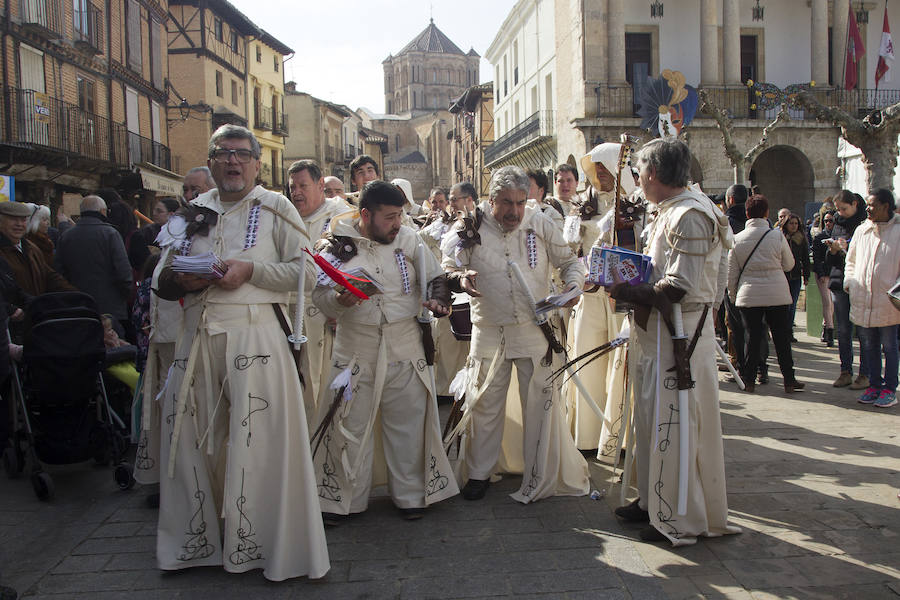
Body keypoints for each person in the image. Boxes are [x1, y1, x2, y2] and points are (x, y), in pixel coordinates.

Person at [153, 124, 329, 580]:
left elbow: (306, 275)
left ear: (256, 163)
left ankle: (266, 546)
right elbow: (160, 278)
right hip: (197, 340)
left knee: (263, 445)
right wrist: (182, 280)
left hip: (257, 339)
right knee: (194, 443)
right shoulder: (192, 212)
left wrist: (249, 270)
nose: (233, 161)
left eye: (242, 154)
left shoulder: (277, 207)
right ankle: (199, 542)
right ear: (211, 161)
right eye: (223, 153)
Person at [608, 138, 740, 545]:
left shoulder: (690, 215)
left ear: (652, 173)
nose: (638, 180)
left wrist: (623, 289)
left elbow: (680, 286)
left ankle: (678, 516)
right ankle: (652, 501)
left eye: (640, 172)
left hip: (681, 335)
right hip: (659, 335)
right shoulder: (670, 211)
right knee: (650, 422)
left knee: (675, 425)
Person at [310, 180, 458, 523]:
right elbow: (319, 297)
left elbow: (435, 276)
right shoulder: (333, 246)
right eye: (389, 217)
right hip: (355, 344)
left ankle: (411, 496)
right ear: (365, 215)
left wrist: (438, 301)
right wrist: (337, 300)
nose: (397, 223)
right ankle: (343, 500)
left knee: (408, 424)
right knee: (349, 424)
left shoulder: (408, 238)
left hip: (404, 341)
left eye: (400, 216)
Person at [441, 165, 589, 503]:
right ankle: (479, 473)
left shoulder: (540, 222)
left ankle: (539, 470)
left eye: (521, 202)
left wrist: (573, 285)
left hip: (533, 328)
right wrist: (462, 278)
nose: (514, 211)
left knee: (539, 402)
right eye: (507, 203)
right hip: (488, 327)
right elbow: (447, 267)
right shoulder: (470, 226)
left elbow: (570, 263)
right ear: (491, 200)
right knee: (484, 404)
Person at [565, 141, 635, 456]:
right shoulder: (582, 207)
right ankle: (589, 436)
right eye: (596, 169)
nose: (600, 175)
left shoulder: (636, 205)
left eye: (605, 168)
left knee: (620, 366)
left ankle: (616, 438)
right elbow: (569, 252)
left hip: (622, 295)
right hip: (591, 295)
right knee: (588, 360)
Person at [287, 159, 352, 414]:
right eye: (292, 187)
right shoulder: (285, 217)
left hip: (329, 317)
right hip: (291, 316)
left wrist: (338, 305)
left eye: (303, 185)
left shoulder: (341, 217)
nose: (296, 192)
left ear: (320, 184)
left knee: (326, 390)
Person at [728, 195, 805, 394]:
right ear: (767, 213)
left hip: (749, 294)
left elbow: (732, 273)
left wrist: (734, 295)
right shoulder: (777, 236)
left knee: (752, 338)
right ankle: (789, 379)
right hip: (776, 293)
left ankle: (749, 379)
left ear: (747, 214)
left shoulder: (737, 240)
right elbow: (789, 264)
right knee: (781, 338)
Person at [844, 188, 900, 407]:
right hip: (863, 299)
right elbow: (851, 261)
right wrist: (850, 283)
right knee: (868, 346)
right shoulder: (862, 231)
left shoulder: (897, 231)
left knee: (889, 346)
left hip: (888, 303)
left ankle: (889, 388)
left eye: (872, 204)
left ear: (886, 206)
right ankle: (874, 385)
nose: (868, 208)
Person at [55, 195, 134, 337]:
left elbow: (59, 272)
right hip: (111, 308)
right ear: (103, 211)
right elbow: (124, 273)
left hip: (78, 307)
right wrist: (124, 295)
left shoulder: (67, 236)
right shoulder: (110, 234)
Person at [827, 190, 869, 389]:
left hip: (861, 282)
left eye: (844, 209)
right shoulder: (836, 223)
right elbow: (829, 259)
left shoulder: (865, 224)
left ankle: (865, 373)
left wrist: (849, 248)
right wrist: (834, 249)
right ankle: (845, 371)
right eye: (838, 209)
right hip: (839, 280)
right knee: (843, 330)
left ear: (854, 204)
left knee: (863, 330)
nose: (840, 213)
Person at [0, 201, 73, 305]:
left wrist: (75, 294)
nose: (19, 224)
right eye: (13, 219)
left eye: (23, 220)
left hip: (36, 313)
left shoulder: (31, 248)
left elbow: (49, 276)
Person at [781, 212, 810, 338]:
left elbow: (805, 258)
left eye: (796, 224)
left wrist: (806, 275)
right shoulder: (780, 237)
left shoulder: (801, 238)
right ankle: (782, 330)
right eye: (791, 223)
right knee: (783, 306)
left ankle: (788, 331)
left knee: (792, 305)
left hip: (796, 275)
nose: (793, 226)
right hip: (782, 275)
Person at [812, 210, 836, 346]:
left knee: (832, 304)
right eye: (825, 220)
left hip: (835, 273)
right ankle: (830, 332)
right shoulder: (819, 237)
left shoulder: (839, 236)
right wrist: (820, 274)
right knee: (827, 302)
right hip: (823, 273)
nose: (828, 223)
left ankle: (826, 328)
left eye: (830, 220)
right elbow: (816, 258)